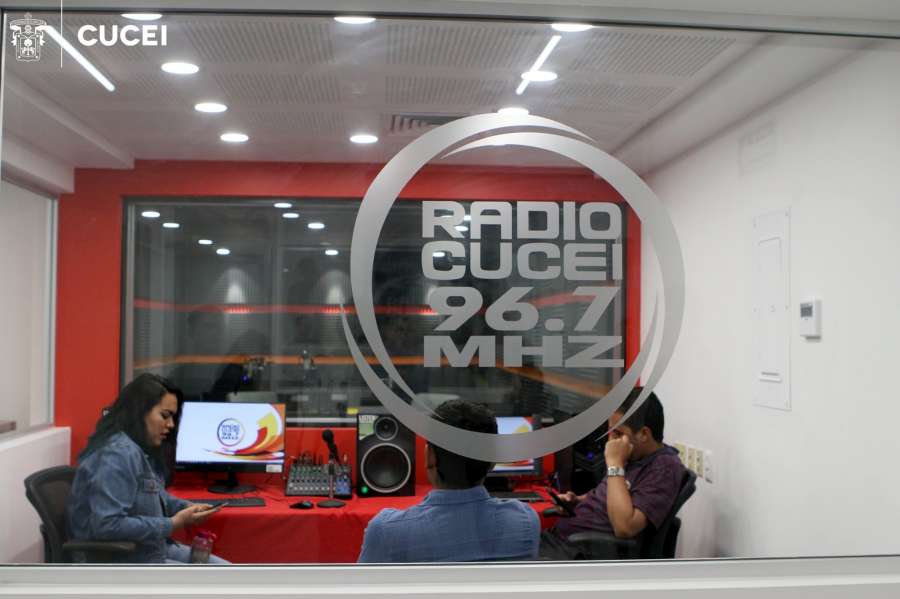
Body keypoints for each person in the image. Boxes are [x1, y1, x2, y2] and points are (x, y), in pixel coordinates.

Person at [67, 373, 228, 563]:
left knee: (227, 571)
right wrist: (173, 523)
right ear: (139, 412)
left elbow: (153, 496)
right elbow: (107, 525)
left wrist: (186, 508)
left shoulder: (138, 449)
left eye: (173, 417)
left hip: (150, 549)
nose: (171, 425)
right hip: (124, 560)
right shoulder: (116, 455)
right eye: (165, 416)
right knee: (220, 578)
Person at [358, 400, 540, 562]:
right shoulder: (525, 520)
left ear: (429, 457)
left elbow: (364, 586)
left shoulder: (385, 531)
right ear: (492, 460)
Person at [540, 387, 685, 560]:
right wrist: (577, 501)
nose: (610, 441)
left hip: (579, 553)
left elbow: (625, 527)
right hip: (561, 541)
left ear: (644, 434)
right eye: (610, 431)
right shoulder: (632, 456)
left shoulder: (664, 469)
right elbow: (608, 495)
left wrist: (615, 464)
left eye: (618, 433)